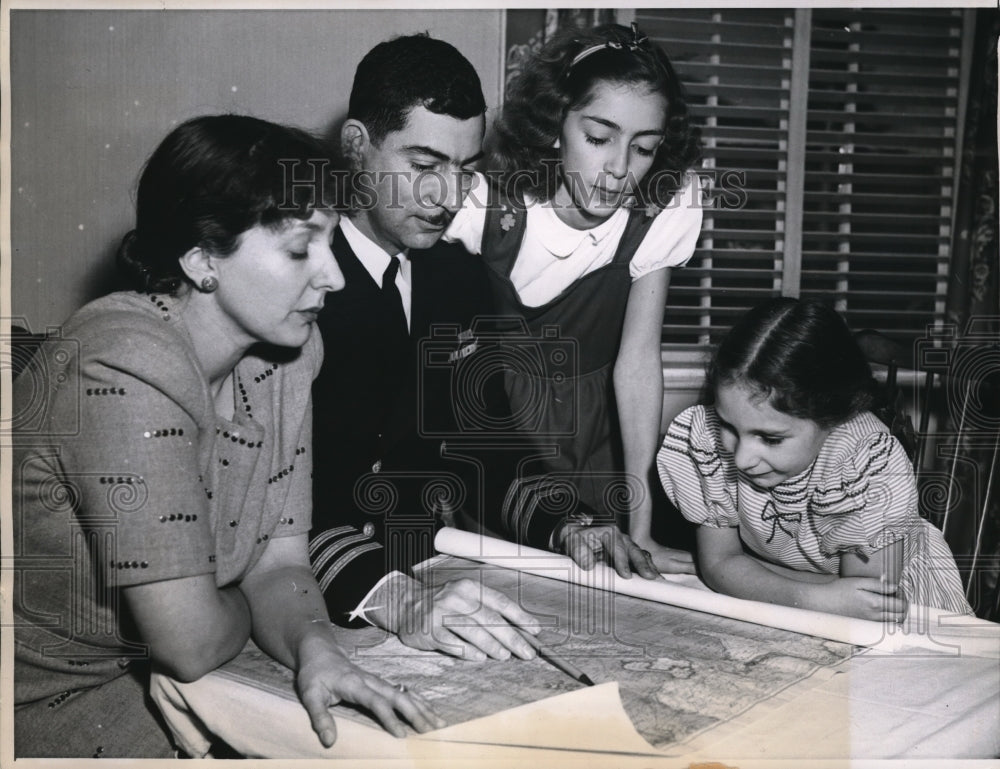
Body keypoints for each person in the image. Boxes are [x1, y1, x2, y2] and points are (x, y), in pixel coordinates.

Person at [12, 114, 442, 758]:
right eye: (302, 249)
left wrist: (317, 648)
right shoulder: (120, 365)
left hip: (176, 676)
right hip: (34, 703)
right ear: (202, 258)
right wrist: (242, 597)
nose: (334, 277)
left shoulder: (288, 355)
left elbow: (282, 564)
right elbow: (187, 644)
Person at [308, 33, 664, 665]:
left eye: (465, 171)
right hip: (321, 598)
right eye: (423, 167)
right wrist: (394, 596)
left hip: (432, 584)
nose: (448, 198)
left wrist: (569, 523)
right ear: (358, 145)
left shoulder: (456, 274)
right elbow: (274, 507)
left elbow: (484, 441)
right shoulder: (296, 284)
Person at [444, 23, 703, 576]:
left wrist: (642, 525)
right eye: (599, 137)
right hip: (503, 445)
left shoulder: (665, 204)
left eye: (644, 148)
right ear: (555, 123)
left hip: (599, 446)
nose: (618, 170)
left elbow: (637, 362)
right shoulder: (481, 202)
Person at [656, 298, 973, 619]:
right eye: (729, 426)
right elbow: (720, 565)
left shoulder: (867, 463)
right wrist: (810, 596)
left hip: (905, 605)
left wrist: (749, 573)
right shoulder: (709, 440)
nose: (741, 459)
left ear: (833, 418)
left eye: (770, 438)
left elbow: (866, 598)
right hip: (803, 599)